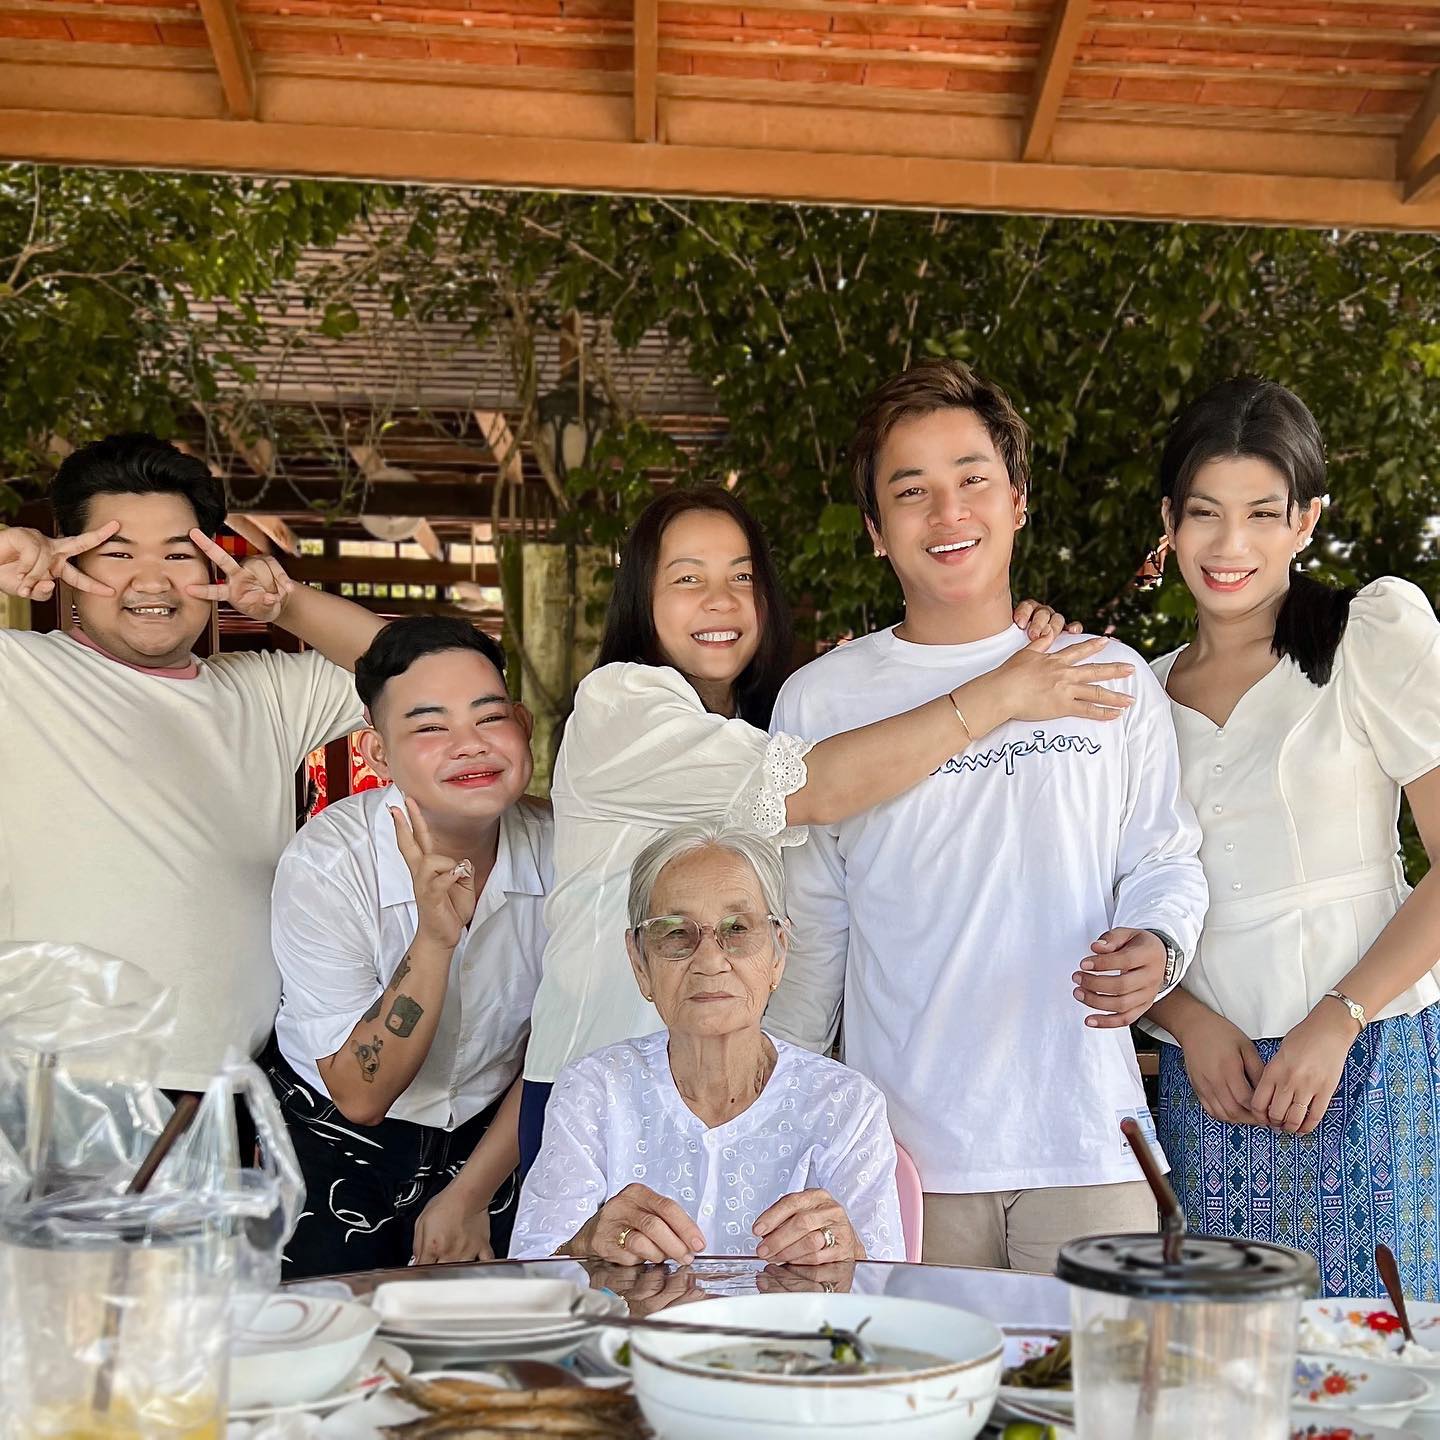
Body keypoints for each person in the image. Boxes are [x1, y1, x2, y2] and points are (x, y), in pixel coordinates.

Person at [519, 484, 1137, 1172]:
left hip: (728, 1097)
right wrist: (1001, 687)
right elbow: (816, 787)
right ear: (642, 597)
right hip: (605, 1091)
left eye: (742, 578)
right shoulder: (619, 705)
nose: (721, 601)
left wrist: (995, 643)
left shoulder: (757, 726)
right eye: (688, 579)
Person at [765, 358, 1210, 1273]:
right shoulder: (822, 699)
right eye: (911, 492)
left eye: (972, 480)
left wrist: (1159, 944)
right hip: (900, 1156)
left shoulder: (1111, 676)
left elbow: (1165, 860)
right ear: (875, 531)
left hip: (1091, 1142)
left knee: (1109, 1371)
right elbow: (811, 934)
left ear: (1017, 500)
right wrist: (785, 1125)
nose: (948, 512)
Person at [1142, 378, 1440, 1300]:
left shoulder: (1366, 639)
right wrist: (1186, 1024)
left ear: (1306, 520)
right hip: (1214, 1087)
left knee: (1378, 1347)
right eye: (1205, 513)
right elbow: (1115, 908)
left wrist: (1338, 1018)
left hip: (1369, 1058)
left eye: (1263, 514)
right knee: (1221, 1353)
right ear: (1169, 521)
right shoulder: (1137, 697)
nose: (1230, 546)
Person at [0, 433, 382, 1097]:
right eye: (117, 553)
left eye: (179, 554)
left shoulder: (268, 691)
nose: (152, 581)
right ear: (68, 565)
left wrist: (290, 603)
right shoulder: (20, 671)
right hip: (57, 1087)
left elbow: (434, 670)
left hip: (231, 1089)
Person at [267, 617, 552, 1276]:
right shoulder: (328, 867)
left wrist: (471, 1192)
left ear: (524, 725)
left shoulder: (566, 850)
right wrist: (434, 941)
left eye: (490, 717)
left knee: (501, 1328)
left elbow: (565, 1041)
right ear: (378, 754)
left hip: (497, 1132)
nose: (470, 746)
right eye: (429, 727)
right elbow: (359, 1095)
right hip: (337, 1132)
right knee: (335, 1325)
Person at [511, 821, 904, 1264]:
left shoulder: (845, 1105)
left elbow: (889, 1289)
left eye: (738, 929)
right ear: (640, 963)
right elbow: (531, 1274)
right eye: (675, 933)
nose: (711, 960)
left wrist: (852, 1256)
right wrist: (582, 1247)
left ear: (778, 954)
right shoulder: (594, 1090)